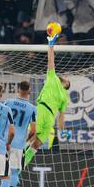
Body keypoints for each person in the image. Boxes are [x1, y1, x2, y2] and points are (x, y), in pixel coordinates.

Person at [23, 34, 71, 168]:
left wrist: (62, 131)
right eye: (65, 77)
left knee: (37, 144)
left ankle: (22, 164)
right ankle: (16, 152)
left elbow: (61, 116)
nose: (66, 78)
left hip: (50, 118)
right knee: (31, 135)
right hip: (43, 109)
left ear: (67, 85)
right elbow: (51, 61)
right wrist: (51, 45)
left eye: (67, 80)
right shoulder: (53, 78)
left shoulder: (64, 97)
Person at [0, 81, 36, 187]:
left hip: (4, 141)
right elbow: (33, 131)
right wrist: (25, 140)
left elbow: (1, 120)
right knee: (14, 172)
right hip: (18, 145)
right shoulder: (32, 108)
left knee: (0, 168)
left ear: (18, 90)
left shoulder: (8, 102)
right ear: (29, 91)